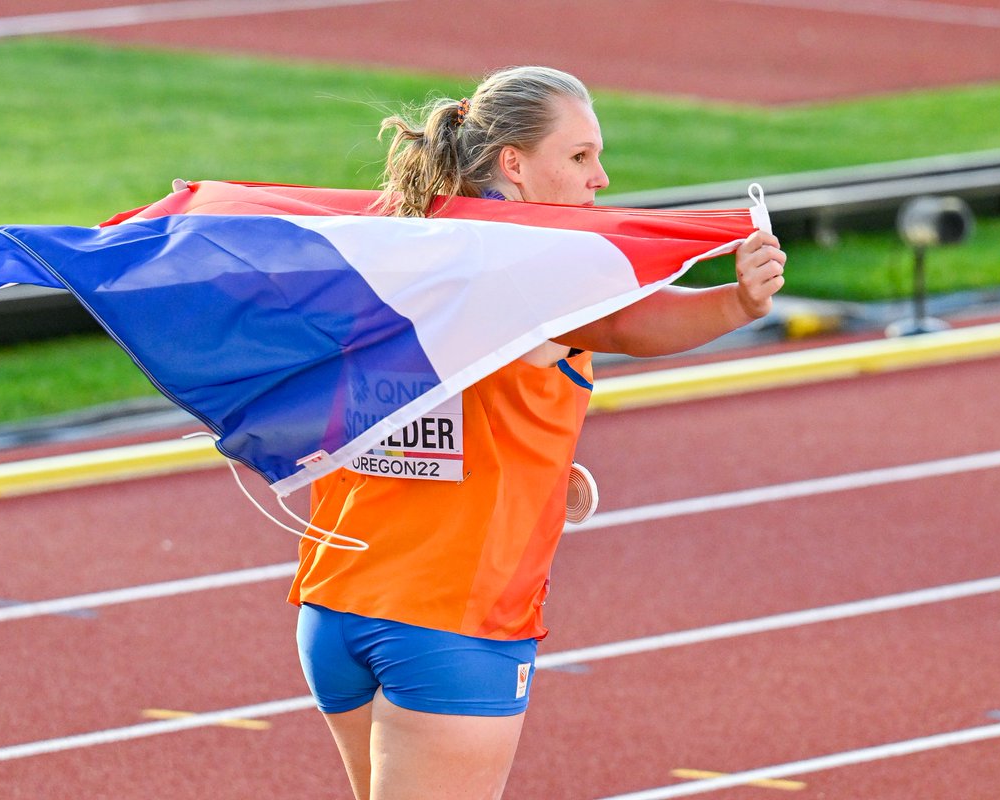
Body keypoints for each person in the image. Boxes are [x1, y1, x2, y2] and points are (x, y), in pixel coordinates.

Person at [288, 65, 786, 800]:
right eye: (580, 156)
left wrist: (546, 471)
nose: (602, 177)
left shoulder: (394, 247)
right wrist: (736, 303)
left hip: (337, 608)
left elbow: (416, 410)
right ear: (513, 164)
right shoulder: (534, 268)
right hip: (451, 623)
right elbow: (621, 320)